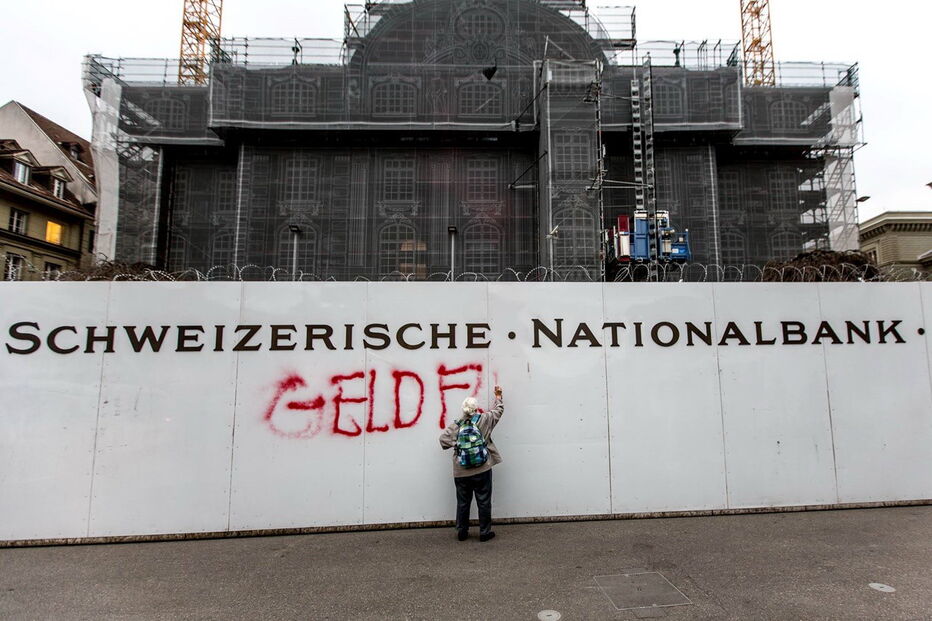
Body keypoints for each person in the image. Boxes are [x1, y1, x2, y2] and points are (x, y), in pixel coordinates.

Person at [439, 385, 504, 542]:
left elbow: (443, 440)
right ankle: (484, 532)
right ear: (476, 408)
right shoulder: (484, 420)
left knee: (463, 502)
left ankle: (462, 532)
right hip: (482, 469)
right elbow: (498, 411)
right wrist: (498, 397)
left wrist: (458, 445)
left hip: (461, 471)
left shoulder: (457, 425)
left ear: (463, 410)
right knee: (484, 500)